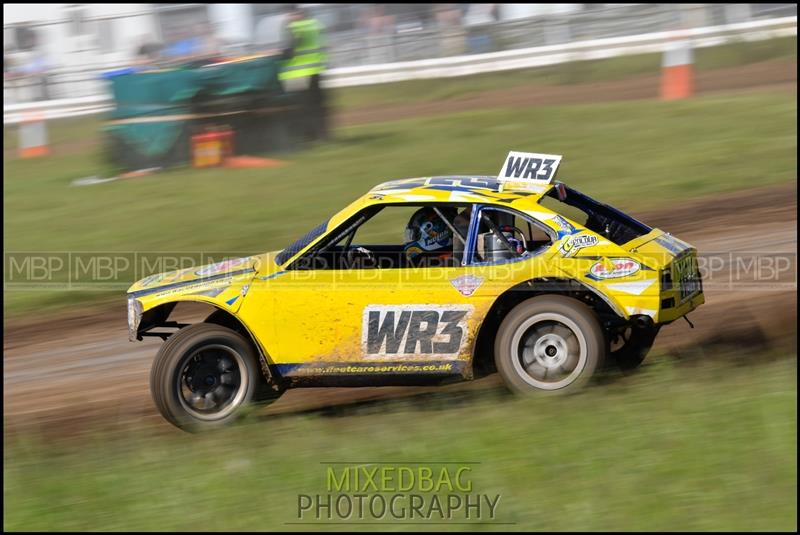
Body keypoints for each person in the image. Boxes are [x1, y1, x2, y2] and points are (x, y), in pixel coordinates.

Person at [280, 5, 329, 140]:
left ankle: (308, 136)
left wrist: (279, 55)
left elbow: (289, 51)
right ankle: (323, 135)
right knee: (318, 105)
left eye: (288, 14)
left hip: (298, 73)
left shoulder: (294, 27)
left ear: (293, 13)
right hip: (316, 70)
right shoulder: (316, 25)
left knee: (302, 107)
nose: (287, 17)